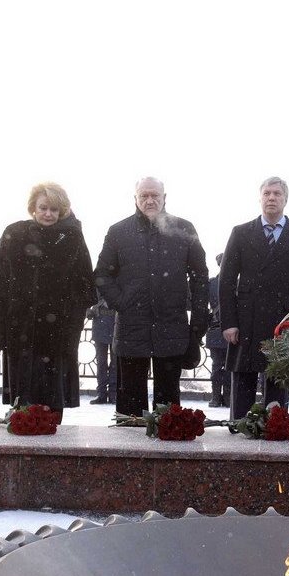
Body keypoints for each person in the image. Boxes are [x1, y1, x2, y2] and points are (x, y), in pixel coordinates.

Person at [94, 177, 208, 417]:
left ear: (165, 198)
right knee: (129, 408)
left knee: (168, 412)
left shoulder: (184, 228)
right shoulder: (118, 231)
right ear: (135, 198)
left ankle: (169, 453)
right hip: (131, 328)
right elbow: (102, 274)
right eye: (144, 195)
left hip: (172, 327)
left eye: (155, 195)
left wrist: (197, 323)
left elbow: (200, 277)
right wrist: (122, 303)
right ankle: (129, 454)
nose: (150, 200)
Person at [0, 183, 95, 415]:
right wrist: (2, 330)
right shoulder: (14, 234)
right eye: (43, 208)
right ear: (33, 208)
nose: (48, 214)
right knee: (22, 407)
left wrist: (69, 320)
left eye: (54, 209)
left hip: (57, 336)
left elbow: (86, 286)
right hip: (20, 331)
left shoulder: (72, 238)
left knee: (53, 407)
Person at [219, 177, 289, 420]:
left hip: (282, 322)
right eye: (267, 193)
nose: (271, 198)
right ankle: (240, 432)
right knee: (243, 382)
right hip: (246, 320)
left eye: (277, 194)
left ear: (286, 199)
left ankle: (275, 432)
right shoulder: (241, 233)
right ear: (260, 197)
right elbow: (227, 281)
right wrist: (229, 322)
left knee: (278, 384)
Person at [205, 253, 230, 409]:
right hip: (225, 329)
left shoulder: (212, 283)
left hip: (217, 329)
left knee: (221, 366)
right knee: (225, 366)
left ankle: (220, 398)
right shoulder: (236, 283)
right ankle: (223, 397)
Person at [87, 299, 116, 404]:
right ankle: (102, 394)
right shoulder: (97, 284)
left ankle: (113, 393)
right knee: (101, 362)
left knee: (115, 363)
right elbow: (88, 298)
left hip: (115, 323)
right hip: (100, 323)